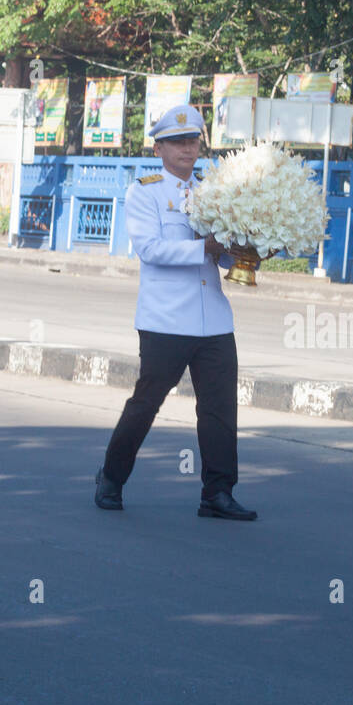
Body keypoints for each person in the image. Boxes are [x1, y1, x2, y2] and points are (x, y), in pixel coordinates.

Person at [95, 104, 257, 521]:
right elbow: (149, 249)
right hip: (165, 319)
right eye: (178, 142)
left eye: (193, 141)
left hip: (214, 319)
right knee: (146, 402)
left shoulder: (215, 191)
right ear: (159, 148)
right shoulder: (144, 191)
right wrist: (203, 247)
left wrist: (246, 253)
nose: (188, 149)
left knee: (220, 409)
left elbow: (221, 261)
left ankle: (218, 493)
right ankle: (112, 476)